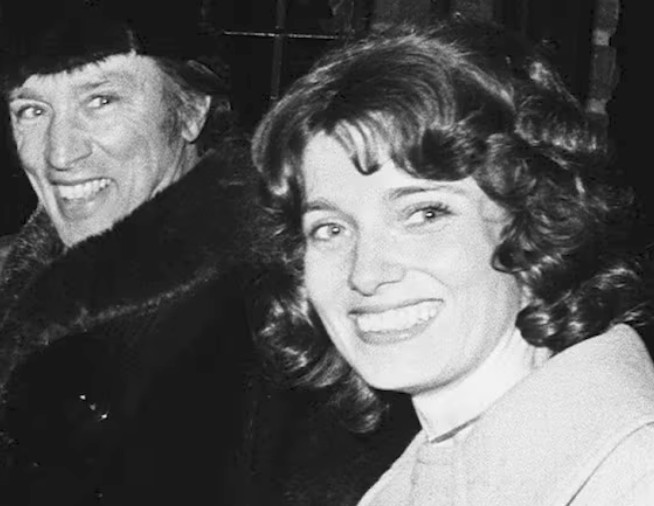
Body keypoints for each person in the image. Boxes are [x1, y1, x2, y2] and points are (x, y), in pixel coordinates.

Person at [0, 1, 419, 505]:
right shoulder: (51, 296)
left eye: (101, 100)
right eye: (32, 110)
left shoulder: (275, 315)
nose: (59, 153)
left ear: (191, 111)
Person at [251, 19, 654, 506]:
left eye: (425, 214)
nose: (366, 273)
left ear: (539, 223)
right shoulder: (418, 474)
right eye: (330, 229)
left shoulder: (629, 477)